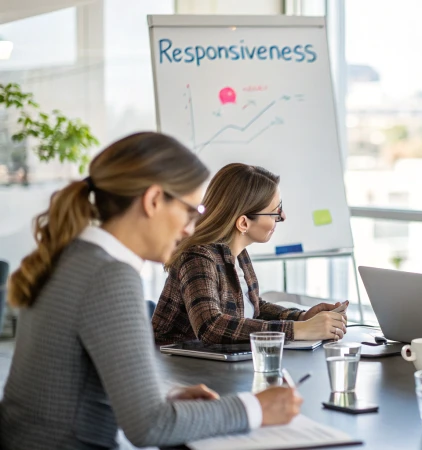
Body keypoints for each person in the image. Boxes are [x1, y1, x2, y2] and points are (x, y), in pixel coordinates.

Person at [0, 132, 303, 449]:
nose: (190, 228)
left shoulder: (72, 256)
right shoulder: (110, 276)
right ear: (154, 200)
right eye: (189, 212)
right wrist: (256, 408)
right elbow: (150, 427)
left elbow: (76, 385)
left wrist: (163, 396)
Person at [152, 163, 347, 345]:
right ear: (243, 223)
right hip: (176, 365)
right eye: (275, 211)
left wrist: (302, 317)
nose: (283, 216)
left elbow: (253, 309)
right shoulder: (197, 257)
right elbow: (211, 326)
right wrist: (299, 330)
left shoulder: (238, 254)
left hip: (217, 362)